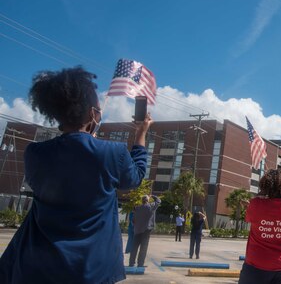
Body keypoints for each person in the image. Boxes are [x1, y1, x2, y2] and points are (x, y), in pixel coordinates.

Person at [0, 66, 151, 283]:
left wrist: (87, 141)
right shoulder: (112, 152)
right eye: (98, 109)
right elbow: (135, 177)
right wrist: (141, 133)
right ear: (92, 114)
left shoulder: (34, 153)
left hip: (38, 266)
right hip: (90, 269)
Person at [238, 169, 281, 284]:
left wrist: (263, 191)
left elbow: (252, 209)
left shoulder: (256, 205)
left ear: (264, 186)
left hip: (257, 263)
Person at [129, 194, 161, 267]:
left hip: (137, 230)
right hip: (146, 230)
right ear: (148, 200)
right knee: (143, 248)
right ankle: (140, 264)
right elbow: (158, 201)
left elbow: (133, 220)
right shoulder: (150, 206)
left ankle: (131, 263)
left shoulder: (137, 208)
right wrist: (153, 196)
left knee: (134, 247)